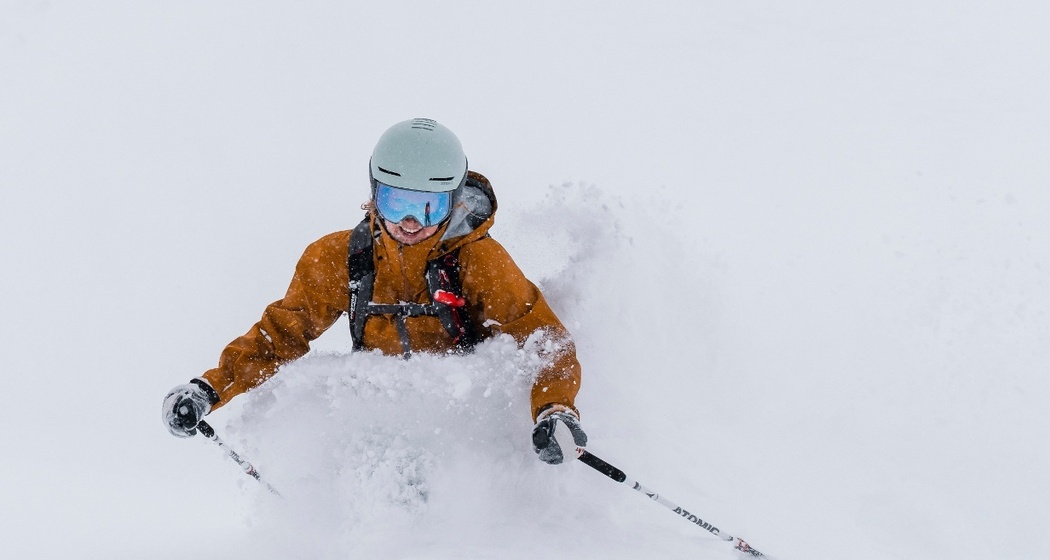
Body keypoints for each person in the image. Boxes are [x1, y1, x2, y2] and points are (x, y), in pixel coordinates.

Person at [162, 118, 586, 465]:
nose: (410, 224)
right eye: (396, 203)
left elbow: (543, 340)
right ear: (373, 194)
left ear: (454, 202)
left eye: (429, 207)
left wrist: (555, 409)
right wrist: (208, 389)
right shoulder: (341, 257)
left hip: (464, 430)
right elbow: (281, 334)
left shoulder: (478, 261)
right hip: (380, 428)